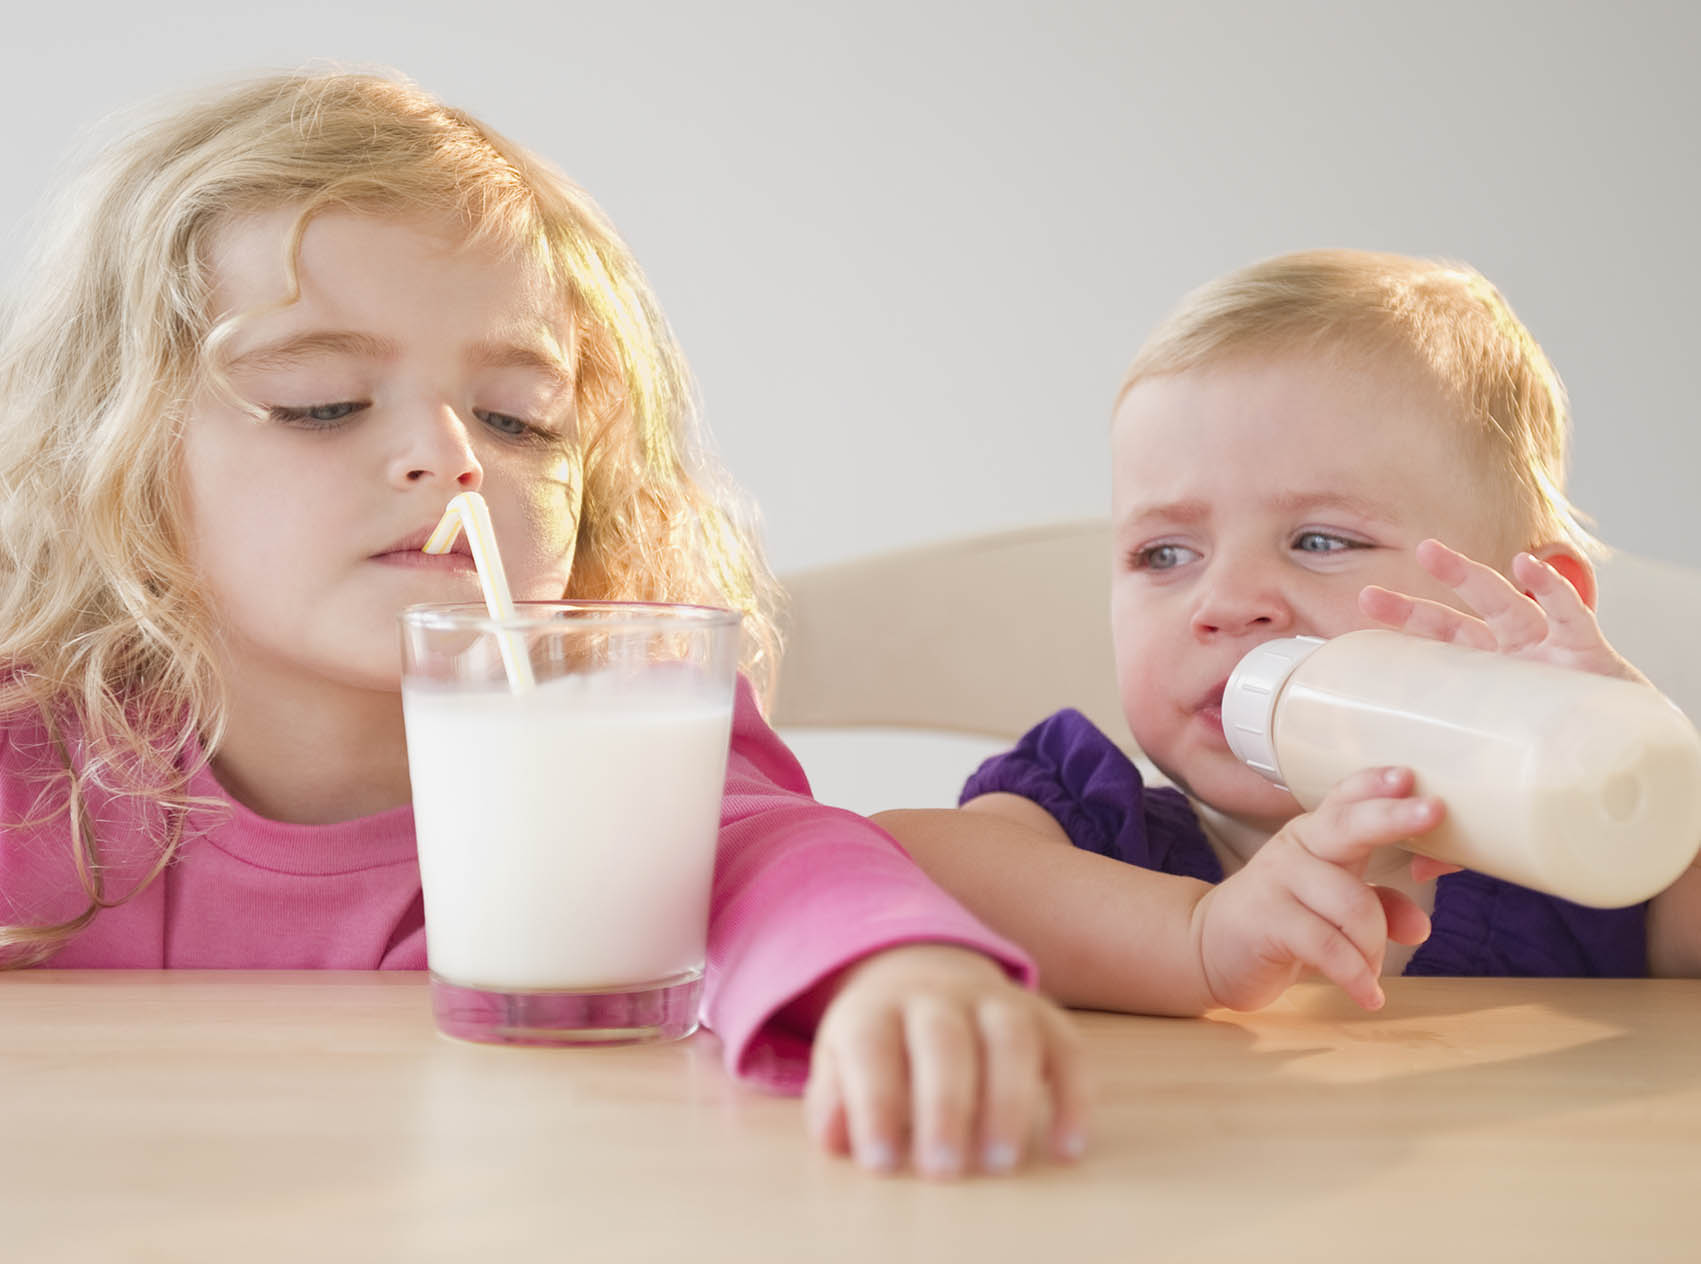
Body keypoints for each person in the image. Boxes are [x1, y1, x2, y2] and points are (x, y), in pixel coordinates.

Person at [0, 69, 1084, 1179]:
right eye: (323, 402)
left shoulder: (615, 723)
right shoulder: (27, 747)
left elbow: (771, 861)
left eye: (517, 420)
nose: (453, 458)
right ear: (113, 454)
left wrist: (894, 972)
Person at [875, 248, 1698, 1017]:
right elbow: (889, 868)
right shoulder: (1087, 833)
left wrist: (1649, 776)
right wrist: (1196, 937)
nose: (1227, 602)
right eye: (1165, 554)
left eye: (1320, 540)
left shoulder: (1596, 862)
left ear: (1526, 604)